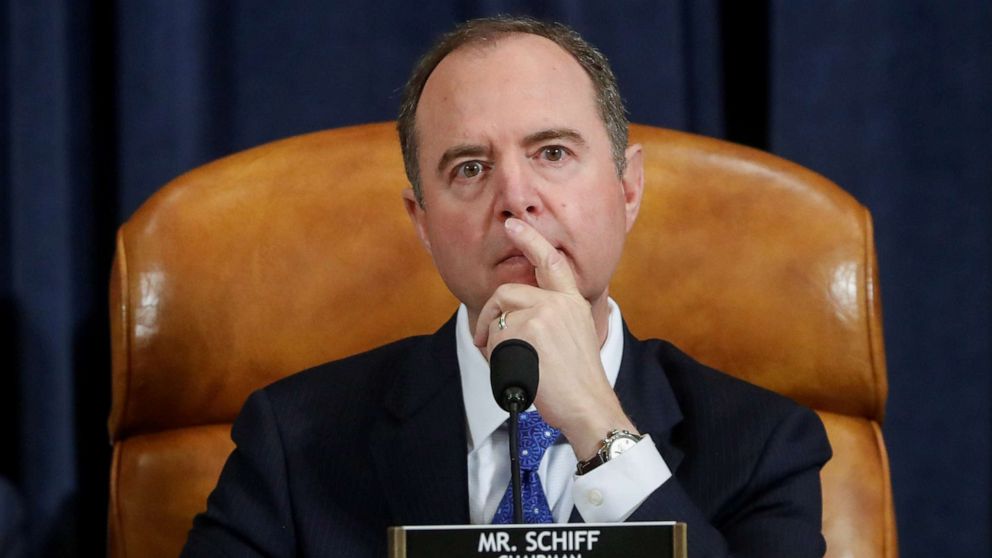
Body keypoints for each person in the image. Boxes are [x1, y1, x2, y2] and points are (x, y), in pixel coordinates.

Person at [182, 16, 830, 557]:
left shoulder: (762, 446)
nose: (516, 200)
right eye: (470, 167)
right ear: (423, 223)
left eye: (552, 153)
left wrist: (600, 430)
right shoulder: (293, 442)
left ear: (627, 189)